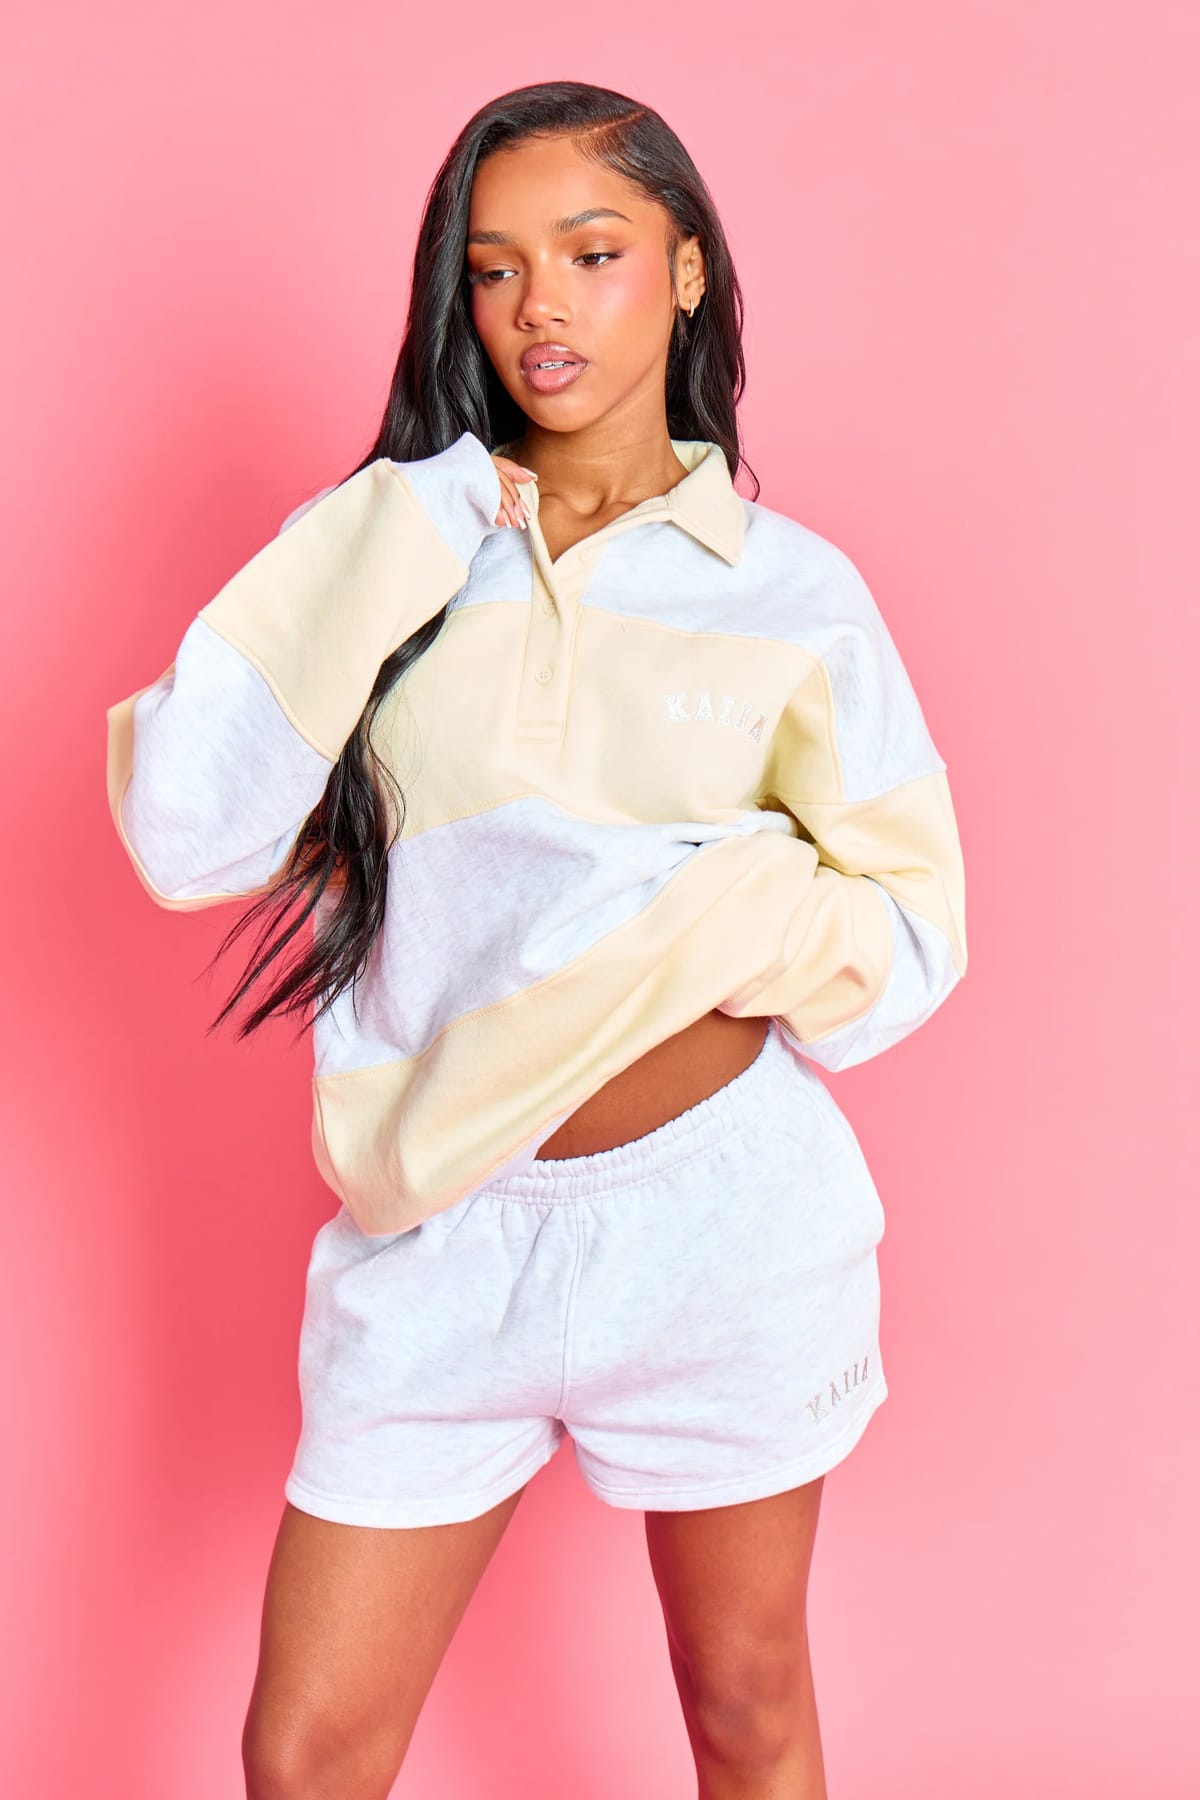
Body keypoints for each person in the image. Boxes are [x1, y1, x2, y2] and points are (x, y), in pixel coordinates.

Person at [105, 79, 967, 1800]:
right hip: (443, 1232)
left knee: (747, 1707)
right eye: (494, 270)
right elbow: (186, 834)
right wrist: (406, 518)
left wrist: (729, 907)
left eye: (592, 252)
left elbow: (910, 937)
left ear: (690, 272)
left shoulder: (791, 591)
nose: (540, 307)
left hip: (724, 1221)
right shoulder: (393, 553)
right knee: (307, 1752)